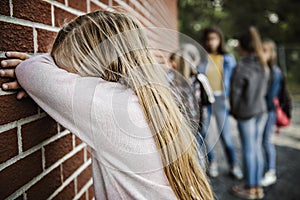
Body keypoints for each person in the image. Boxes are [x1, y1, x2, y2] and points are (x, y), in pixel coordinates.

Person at [0, 11, 213, 200]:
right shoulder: (147, 98)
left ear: (94, 71)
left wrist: (43, 65)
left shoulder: (114, 107)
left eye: (66, 72)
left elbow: (29, 71)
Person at [198, 26, 243, 179]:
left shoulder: (228, 58)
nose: (212, 42)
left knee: (225, 135)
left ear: (220, 40)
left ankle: (233, 164)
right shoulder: (202, 58)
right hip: (206, 101)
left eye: (215, 39)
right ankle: (212, 163)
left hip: (221, 100)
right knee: (206, 134)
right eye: (209, 39)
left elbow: (235, 81)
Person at [230, 27, 269, 199]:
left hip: (246, 113)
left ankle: (250, 187)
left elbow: (235, 94)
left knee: (249, 150)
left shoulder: (243, 65)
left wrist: (234, 111)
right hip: (261, 110)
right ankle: (257, 187)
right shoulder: (263, 63)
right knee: (257, 148)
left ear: (242, 45)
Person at [168, 51, 215, 167]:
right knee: (195, 148)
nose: (171, 64)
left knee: (198, 145)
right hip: (188, 121)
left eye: (173, 62)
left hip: (195, 120)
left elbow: (209, 99)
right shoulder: (173, 80)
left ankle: (208, 164)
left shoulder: (197, 78)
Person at [261, 39, 282, 187]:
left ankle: (271, 171)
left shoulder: (275, 72)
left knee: (266, 141)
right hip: (262, 111)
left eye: (265, 50)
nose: (261, 53)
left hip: (268, 112)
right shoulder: (263, 69)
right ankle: (265, 168)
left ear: (272, 53)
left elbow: (270, 97)